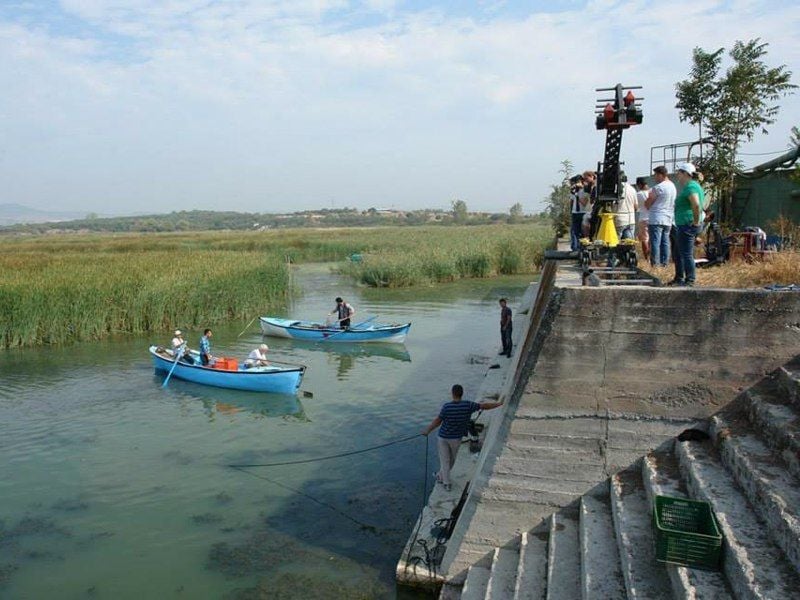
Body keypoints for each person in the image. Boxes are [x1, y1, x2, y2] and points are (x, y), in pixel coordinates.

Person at [421, 384, 504, 491]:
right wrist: (498, 404)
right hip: (456, 438)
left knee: (446, 460)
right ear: (462, 393)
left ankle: (441, 476)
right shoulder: (468, 405)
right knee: (450, 460)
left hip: (443, 437)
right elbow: (484, 406)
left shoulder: (447, 406)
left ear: (452, 393)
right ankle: (446, 482)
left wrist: (427, 430)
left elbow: (438, 421)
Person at [671, 162, 705, 286]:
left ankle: (689, 280)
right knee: (678, 252)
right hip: (684, 224)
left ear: (686, 174)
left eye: (679, 173)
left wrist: (695, 222)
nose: (677, 175)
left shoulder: (691, 187)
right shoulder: (692, 186)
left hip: (687, 224)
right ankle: (679, 278)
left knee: (685, 253)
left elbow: (696, 204)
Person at [644, 165, 676, 267]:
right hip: (668, 218)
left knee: (655, 242)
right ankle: (665, 263)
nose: (655, 178)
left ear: (660, 175)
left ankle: (655, 264)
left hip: (656, 218)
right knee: (665, 242)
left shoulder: (658, 188)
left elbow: (648, 203)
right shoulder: (673, 186)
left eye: (655, 175)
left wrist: (647, 202)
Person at [615, 175, 637, 240]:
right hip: (631, 219)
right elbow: (636, 206)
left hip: (619, 218)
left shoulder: (616, 189)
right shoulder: (633, 189)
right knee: (629, 243)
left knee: (616, 242)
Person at [568, 174, 586, 251]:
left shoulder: (585, 189)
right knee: (574, 231)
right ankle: (575, 248)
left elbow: (585, 202)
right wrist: (571, 211)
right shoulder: (574, 190)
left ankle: (582, 247)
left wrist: (581, 187)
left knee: (582, 231)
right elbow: (571, 201)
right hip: (575, 212)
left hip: (583, 212)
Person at [634, 177, 650, 260]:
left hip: (643, 218)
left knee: (644, 239)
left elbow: (636, 207)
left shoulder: (638, 194)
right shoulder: (652, 192)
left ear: (639, 185)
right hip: (653, 218)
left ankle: (647, 258)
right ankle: (654, 257)